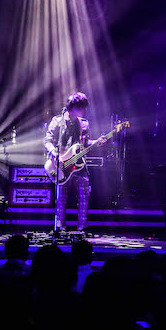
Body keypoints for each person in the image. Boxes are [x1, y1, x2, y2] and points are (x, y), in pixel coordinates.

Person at [43, 92, 107, 233]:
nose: (84, 110)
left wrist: (96, 142)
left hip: (78, 164)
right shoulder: (57, 121)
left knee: (84, 196)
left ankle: (82, 228)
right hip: (61, 164)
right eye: (81, 107)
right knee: (61, 198)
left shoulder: (83, 123)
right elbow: (47, 141)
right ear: (72, 107)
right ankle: (60, 228)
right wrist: (54, 153)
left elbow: (84, 143)